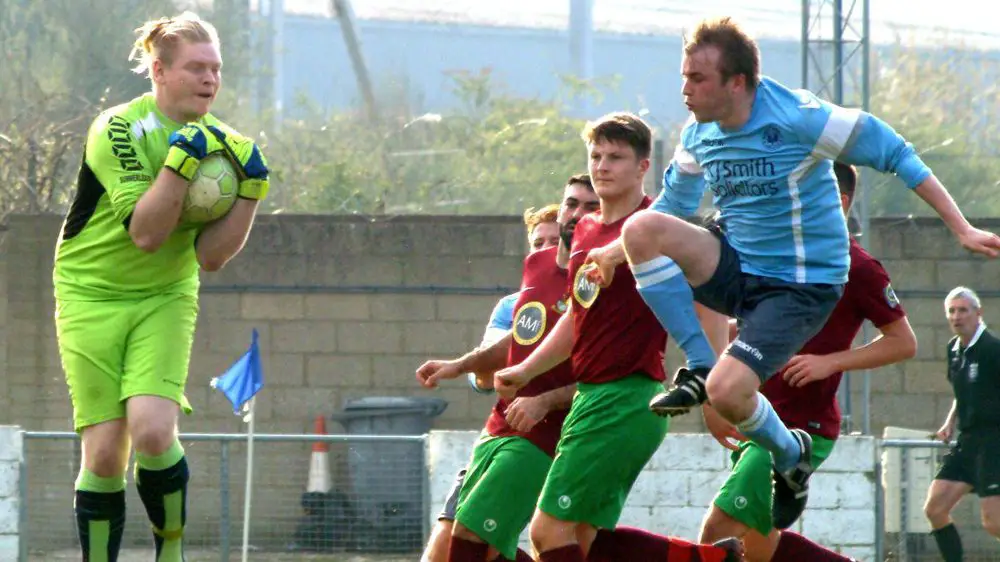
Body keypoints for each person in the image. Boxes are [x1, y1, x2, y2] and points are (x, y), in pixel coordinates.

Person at [583, 16, 1000, 529]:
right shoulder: (697, 135)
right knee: (643, 229)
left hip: (800, 284)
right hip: (738, 266)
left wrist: (960, 228)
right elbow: (672, 207)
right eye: (684, 76)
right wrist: (614, 252)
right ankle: (697, 362)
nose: (685, 89)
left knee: (729, 394)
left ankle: (790, 455)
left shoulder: (801, 117)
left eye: (697, 79)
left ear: (737, 82)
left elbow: (895, 152)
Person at [52, 12, 269, 562]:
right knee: (103, 454)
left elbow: (212, 258)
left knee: (151, 431)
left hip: (165, 295)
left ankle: (169, 552)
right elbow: (147, 234)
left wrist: (252, 192)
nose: (209, 79)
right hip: (89, 293)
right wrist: (178, 164)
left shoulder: (227, 146)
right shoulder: (117, 127)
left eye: (216, 69)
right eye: (196, 67)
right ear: (158, 71)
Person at [495, 113, 741, 562]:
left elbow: (708, 310)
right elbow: (578, 315)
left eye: (616, 157)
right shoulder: (586, 230)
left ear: (643, 167)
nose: (602, 166)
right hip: (594, 399)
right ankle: (710, 559)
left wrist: (716, 394)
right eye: (596, 155)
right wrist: (526, 369)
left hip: (625, 398)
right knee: (585, 542)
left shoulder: (656, 225)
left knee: (547, 532)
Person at [697, 162, 917, 561]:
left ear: (842, 201)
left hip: (801, 429)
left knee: (719, 532)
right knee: (758, 549)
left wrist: (829, 362)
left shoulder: (859, 267)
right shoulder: (780, 254)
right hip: (756, 416)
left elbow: (903, 342)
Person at [421, 183, 597, 562]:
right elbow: (491, 373)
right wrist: (461, 365)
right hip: (500, 426)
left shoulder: (597, 280)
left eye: (588, 207)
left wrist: (544, 397)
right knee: (446, 548)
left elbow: (611, 370)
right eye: (538, 241)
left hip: (554, 434)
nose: (547, 248)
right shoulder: (524, 288)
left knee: (485, 537)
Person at [923, 287, 1000, 562]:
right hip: (967, 441)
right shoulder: (954, 349)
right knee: (935, 509)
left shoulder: (992, 350)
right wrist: (949, 422)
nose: (957, 316)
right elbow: (964, 391)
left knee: (993, 523)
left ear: (978, 314)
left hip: (994, 442)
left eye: (963, 310)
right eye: (952, 311)